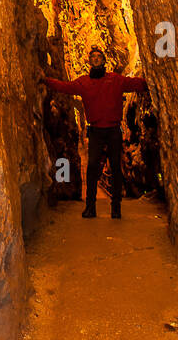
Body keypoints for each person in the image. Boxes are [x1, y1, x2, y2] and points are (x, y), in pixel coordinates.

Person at [43, 46, 149, 219]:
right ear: (89, 61)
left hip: (114, 130)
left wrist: (154, 78)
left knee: (115, 168)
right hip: (96, 132)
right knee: (92, 168)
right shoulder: (83, 83)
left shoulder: (115, 80)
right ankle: (90, 207)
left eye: (99, 56)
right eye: (93, 57)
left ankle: (116, 208)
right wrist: (46, 80)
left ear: (104, 60)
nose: (96, 59)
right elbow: (65, 87)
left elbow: (136, 84)